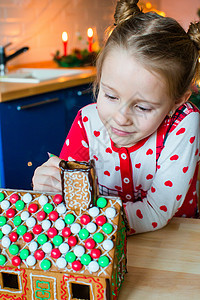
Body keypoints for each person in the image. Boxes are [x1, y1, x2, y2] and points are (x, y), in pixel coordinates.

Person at [32, 0, 200, 234]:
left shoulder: (185, 123)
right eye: (110, 96)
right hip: (102, 240)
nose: (121, 118)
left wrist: (84, 213)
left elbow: (156, 212)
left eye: (142, 108)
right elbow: (68, 197)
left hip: (175, 242)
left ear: (177, 101)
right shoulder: (87, 121)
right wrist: (48, 189)